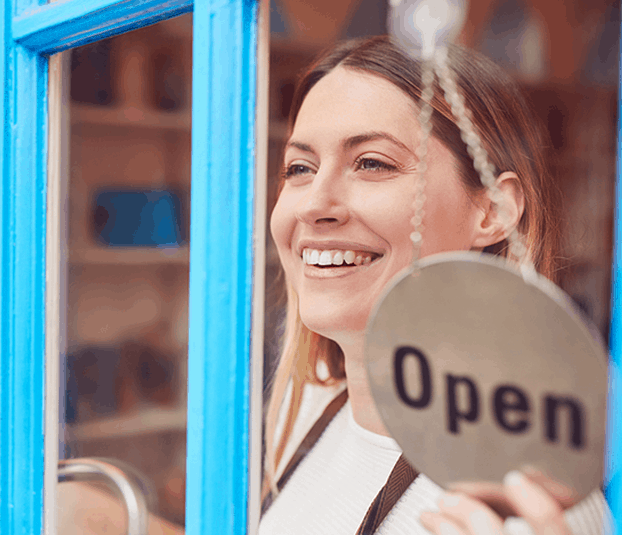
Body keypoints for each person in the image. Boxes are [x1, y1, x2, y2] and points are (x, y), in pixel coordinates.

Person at [259, 36, 610, 535]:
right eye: (299, 168)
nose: (315, 204)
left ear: (492, 211)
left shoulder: (523, 504)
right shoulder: (307, 415)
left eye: (372, 163)